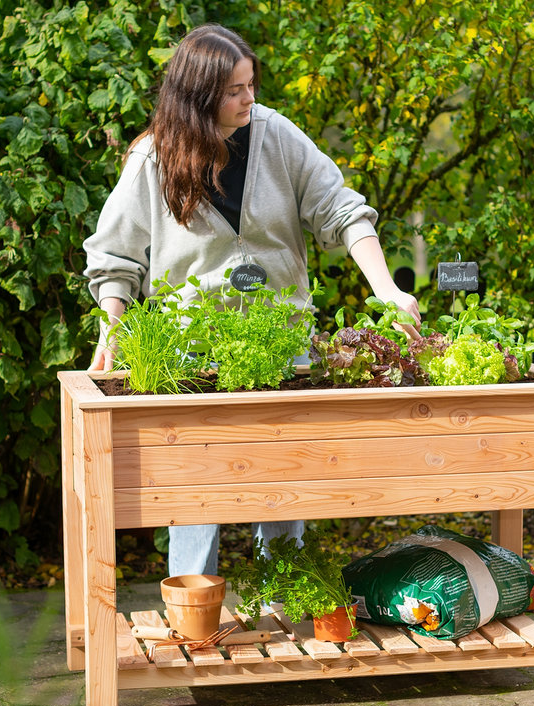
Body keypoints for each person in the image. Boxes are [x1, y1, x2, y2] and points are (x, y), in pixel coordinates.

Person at [83, 23, 420, 577]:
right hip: (191, 353)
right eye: (235, 90)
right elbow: (116, 257)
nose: (249, 98)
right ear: (199, 96)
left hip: (282, 343)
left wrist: (386, 290)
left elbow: (342, 210)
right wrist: (111, 330)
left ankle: (284, 599)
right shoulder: (153, 158)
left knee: (283, 483)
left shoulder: (276, 136)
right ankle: (193, 605)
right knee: (195, 494)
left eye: (251, 84)